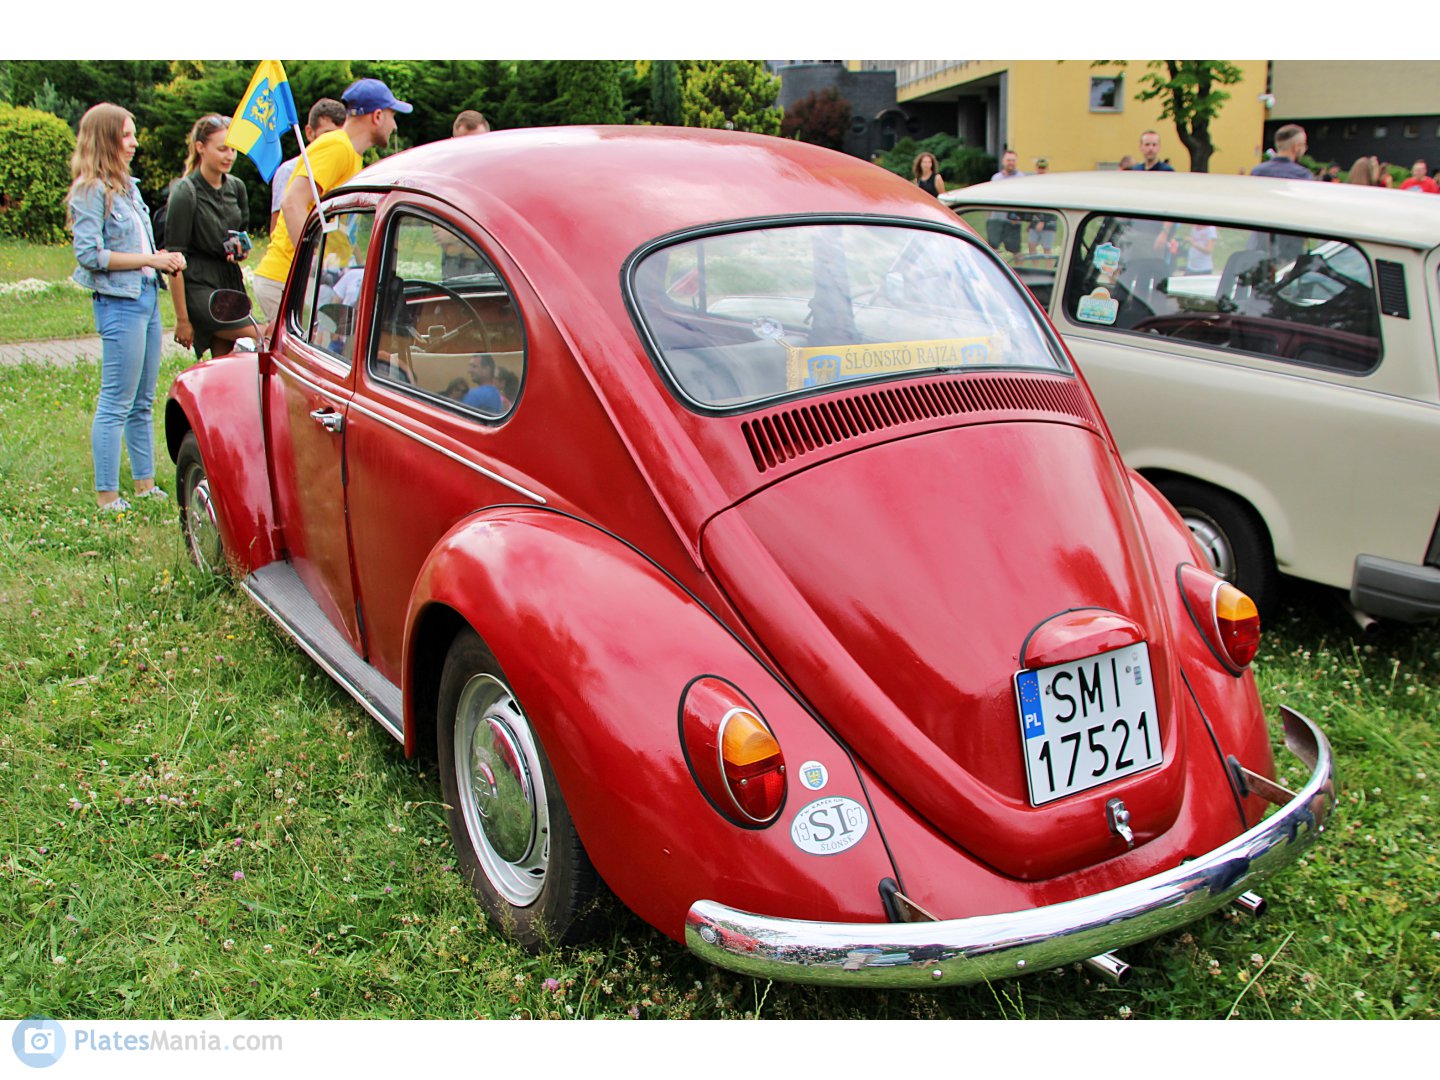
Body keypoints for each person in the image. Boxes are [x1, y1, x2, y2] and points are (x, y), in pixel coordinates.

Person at [68, 103, 186, 513]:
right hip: (119, 303)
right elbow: (90, 255)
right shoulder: (90, 191)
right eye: (126, 135)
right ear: (105, 139)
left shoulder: (130, 188)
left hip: (146, 297)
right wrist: (150, 260)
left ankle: (144, 485)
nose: (135, 142)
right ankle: (107, 497)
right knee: (115, 400)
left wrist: (162, 257)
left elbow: (139, 247)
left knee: (142, 400)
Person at [253, 77, 411, 324]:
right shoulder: (337, 146)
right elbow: (292, 202)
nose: (395, 126)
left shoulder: (351, 155)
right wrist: (314, 267)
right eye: (393, 116)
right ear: (377, 116)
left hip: (310, 283)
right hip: (288, 280)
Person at [165, 115, 252, 358]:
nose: (230, 156)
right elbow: (174, 259)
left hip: (230, 281)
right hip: (198, 284)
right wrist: (182, 319)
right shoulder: (185, 191)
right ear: (200, 148)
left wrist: (241, 251)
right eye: (222, 149)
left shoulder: (237, 187)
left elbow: (241, 232)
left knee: (226, 362)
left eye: (234, 149)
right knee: (261, 332)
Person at [269, 98, 345, 234]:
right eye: (327, 135)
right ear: (310, 133)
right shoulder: (289, 170)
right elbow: (277, 227)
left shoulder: (342, 166)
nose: (334, 141)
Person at [986, 150, 1026, 254]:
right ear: (1003, 161)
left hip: (1013, 221)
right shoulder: (996, 178)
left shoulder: (1021, 178)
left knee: (1016, 252)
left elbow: (1023, 200)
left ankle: (1018, 270)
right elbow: (990, 199)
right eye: (1008, 160)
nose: (1011, 163)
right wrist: (989, 218)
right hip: (996, 220)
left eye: (1013, 160)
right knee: (992, 250)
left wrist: (1017, 216)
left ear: (1016, 162)